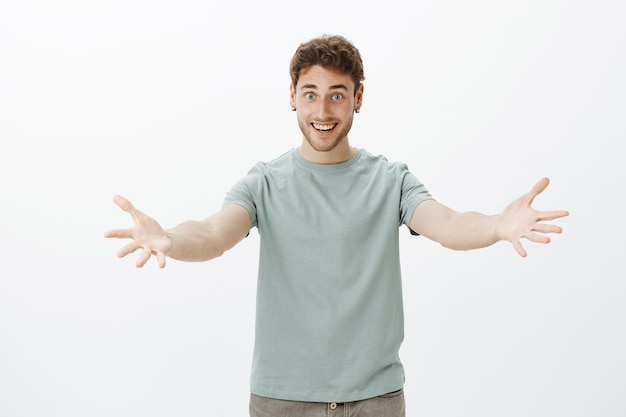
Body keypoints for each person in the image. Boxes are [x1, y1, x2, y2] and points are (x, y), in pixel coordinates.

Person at [104, 34, 569, 417]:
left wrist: (496, 225)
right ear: (292, 96)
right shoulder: (265, 182)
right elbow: (212, 232)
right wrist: (170, 239)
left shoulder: (390, 180)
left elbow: (446, 223)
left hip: (375, 399)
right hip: (282, 398)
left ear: (357, 98)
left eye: (336, 96)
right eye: (310, 95)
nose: (322, 112)